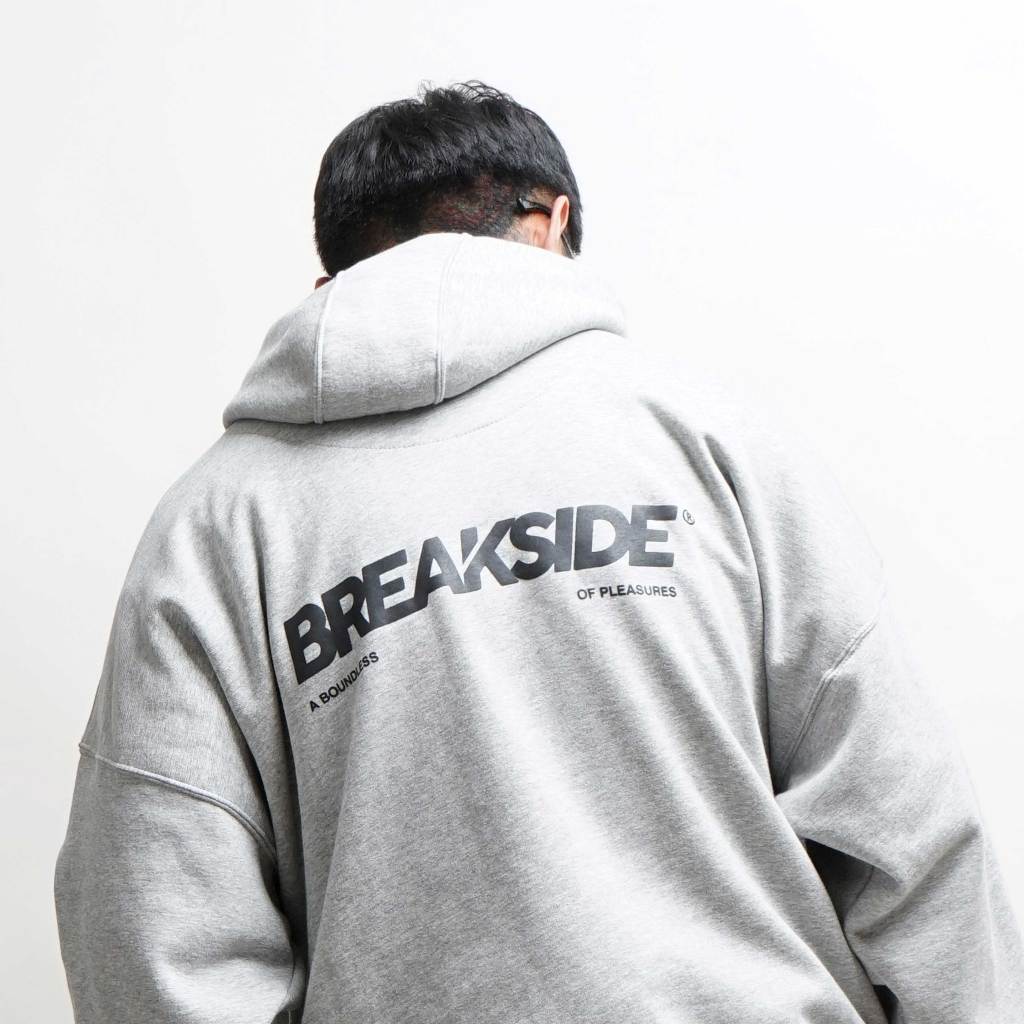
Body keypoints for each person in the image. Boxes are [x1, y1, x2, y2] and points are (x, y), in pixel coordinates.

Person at [54, 79, 1024, 1024]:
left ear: (329, 284)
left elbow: (153, 937)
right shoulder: (707, 437)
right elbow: (908, 826)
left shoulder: (212, 528)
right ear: (554, 223)